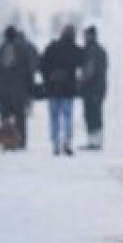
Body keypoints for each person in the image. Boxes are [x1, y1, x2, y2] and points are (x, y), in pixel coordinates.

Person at [39, 24, 83, 156]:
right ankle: (67, 142)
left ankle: (55, 143)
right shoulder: (75, 49)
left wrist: (47, 79)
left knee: (54, 117)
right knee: (67, 117)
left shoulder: (52, 47)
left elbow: (41, 65)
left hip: (53, 88)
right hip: (68, 89)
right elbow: (83, 60)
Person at [0, 26, 34, 148]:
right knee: (20, 118)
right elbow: (29, 72)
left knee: (4, 117)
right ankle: (21, 142)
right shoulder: (24, 52)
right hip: (19, 91)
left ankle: (6, 142)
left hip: (3, 91)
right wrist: (30, 89)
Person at [79, 25, 108, 151]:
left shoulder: (90, 51)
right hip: (100, 86)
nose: (84, 38)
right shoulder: (101, 50)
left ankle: (93, 141)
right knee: (97, 113)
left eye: (86, 35)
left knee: (91, 114)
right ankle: (97, 140)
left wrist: (80, 83)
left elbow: (89, 70)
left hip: (91, 87)